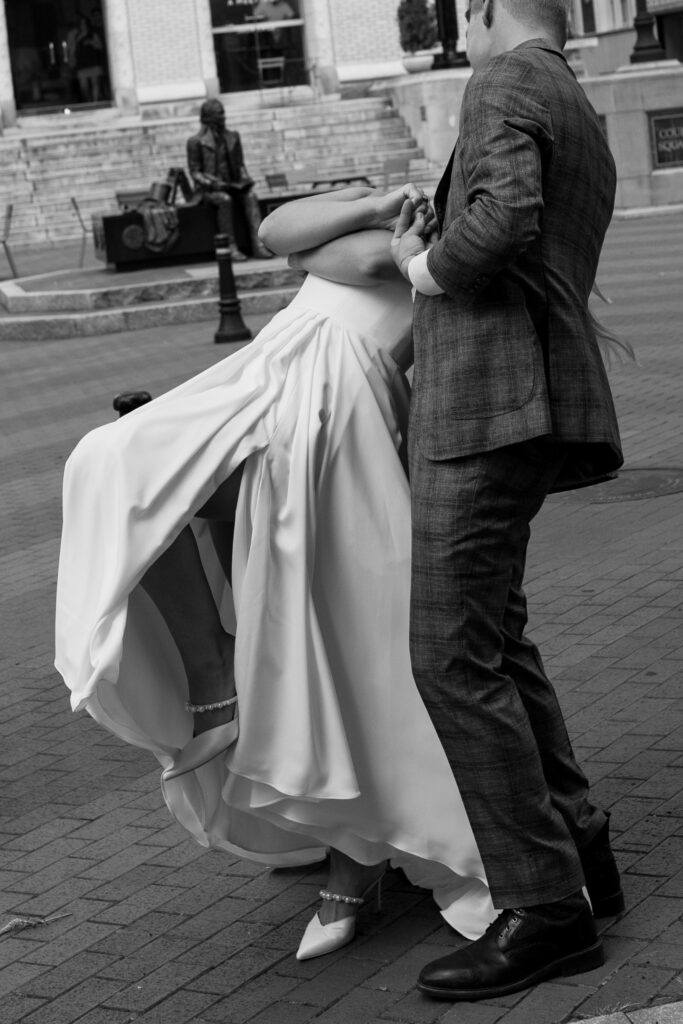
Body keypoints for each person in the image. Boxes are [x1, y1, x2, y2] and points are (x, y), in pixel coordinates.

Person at [55, 184, 500, 964]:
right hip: (268, 371)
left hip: (338, 405)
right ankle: (212, 672)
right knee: (110, 461)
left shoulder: (457, 239)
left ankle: (355, 856)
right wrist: (374, 203)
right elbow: (275, 233)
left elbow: (342, 257)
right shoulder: (391, 208)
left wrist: (360, 241)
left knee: (338, 633)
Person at [390, 0, 625, 1002]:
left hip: (484, 404)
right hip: (525, 399)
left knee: (445, 652)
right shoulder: (568, 93)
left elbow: (503, 219)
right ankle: (575, 853)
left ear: (484, 6)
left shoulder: (503, 79)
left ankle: (542, 908)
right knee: (497, 638)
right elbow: (514, 225)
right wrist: (440, 225)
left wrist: (419, 262)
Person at [186, 99, 272, 262]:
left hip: (232, 185)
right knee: (224, 199)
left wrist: (245, 180)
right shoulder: (195, 142)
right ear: (209, 117)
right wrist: (212, 183)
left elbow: (240, 165)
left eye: (223, 112)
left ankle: (258, 245)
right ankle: (230, 246)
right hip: (210, 191)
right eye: (219, 113)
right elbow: (195, 172)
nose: (223, 116)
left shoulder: (233, 137)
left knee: (251, 196)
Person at [74, 15, 105, 103]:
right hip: (82, 63)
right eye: (81, 23)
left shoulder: (93, 34)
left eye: (84, 23)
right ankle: (88, 101)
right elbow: (75, 49)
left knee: (95, 83)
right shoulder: (77, 36)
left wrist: (91, 42)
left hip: (93, 61)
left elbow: (100, 46)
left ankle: (95, 101)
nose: (83, 25)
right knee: (83, 86)